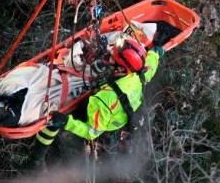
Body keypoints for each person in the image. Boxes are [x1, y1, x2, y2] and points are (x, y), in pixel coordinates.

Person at [31, 36, 164, 162]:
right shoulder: (137, 75)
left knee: (59, 116)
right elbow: (150, 66)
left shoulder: (104, 99)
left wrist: (66, 121)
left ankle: (36, 160)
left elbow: (91, 132)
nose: (108, 58)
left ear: (121, 69)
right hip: (118, 113)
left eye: (113, 59)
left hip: (104, 123)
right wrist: (156, 51)